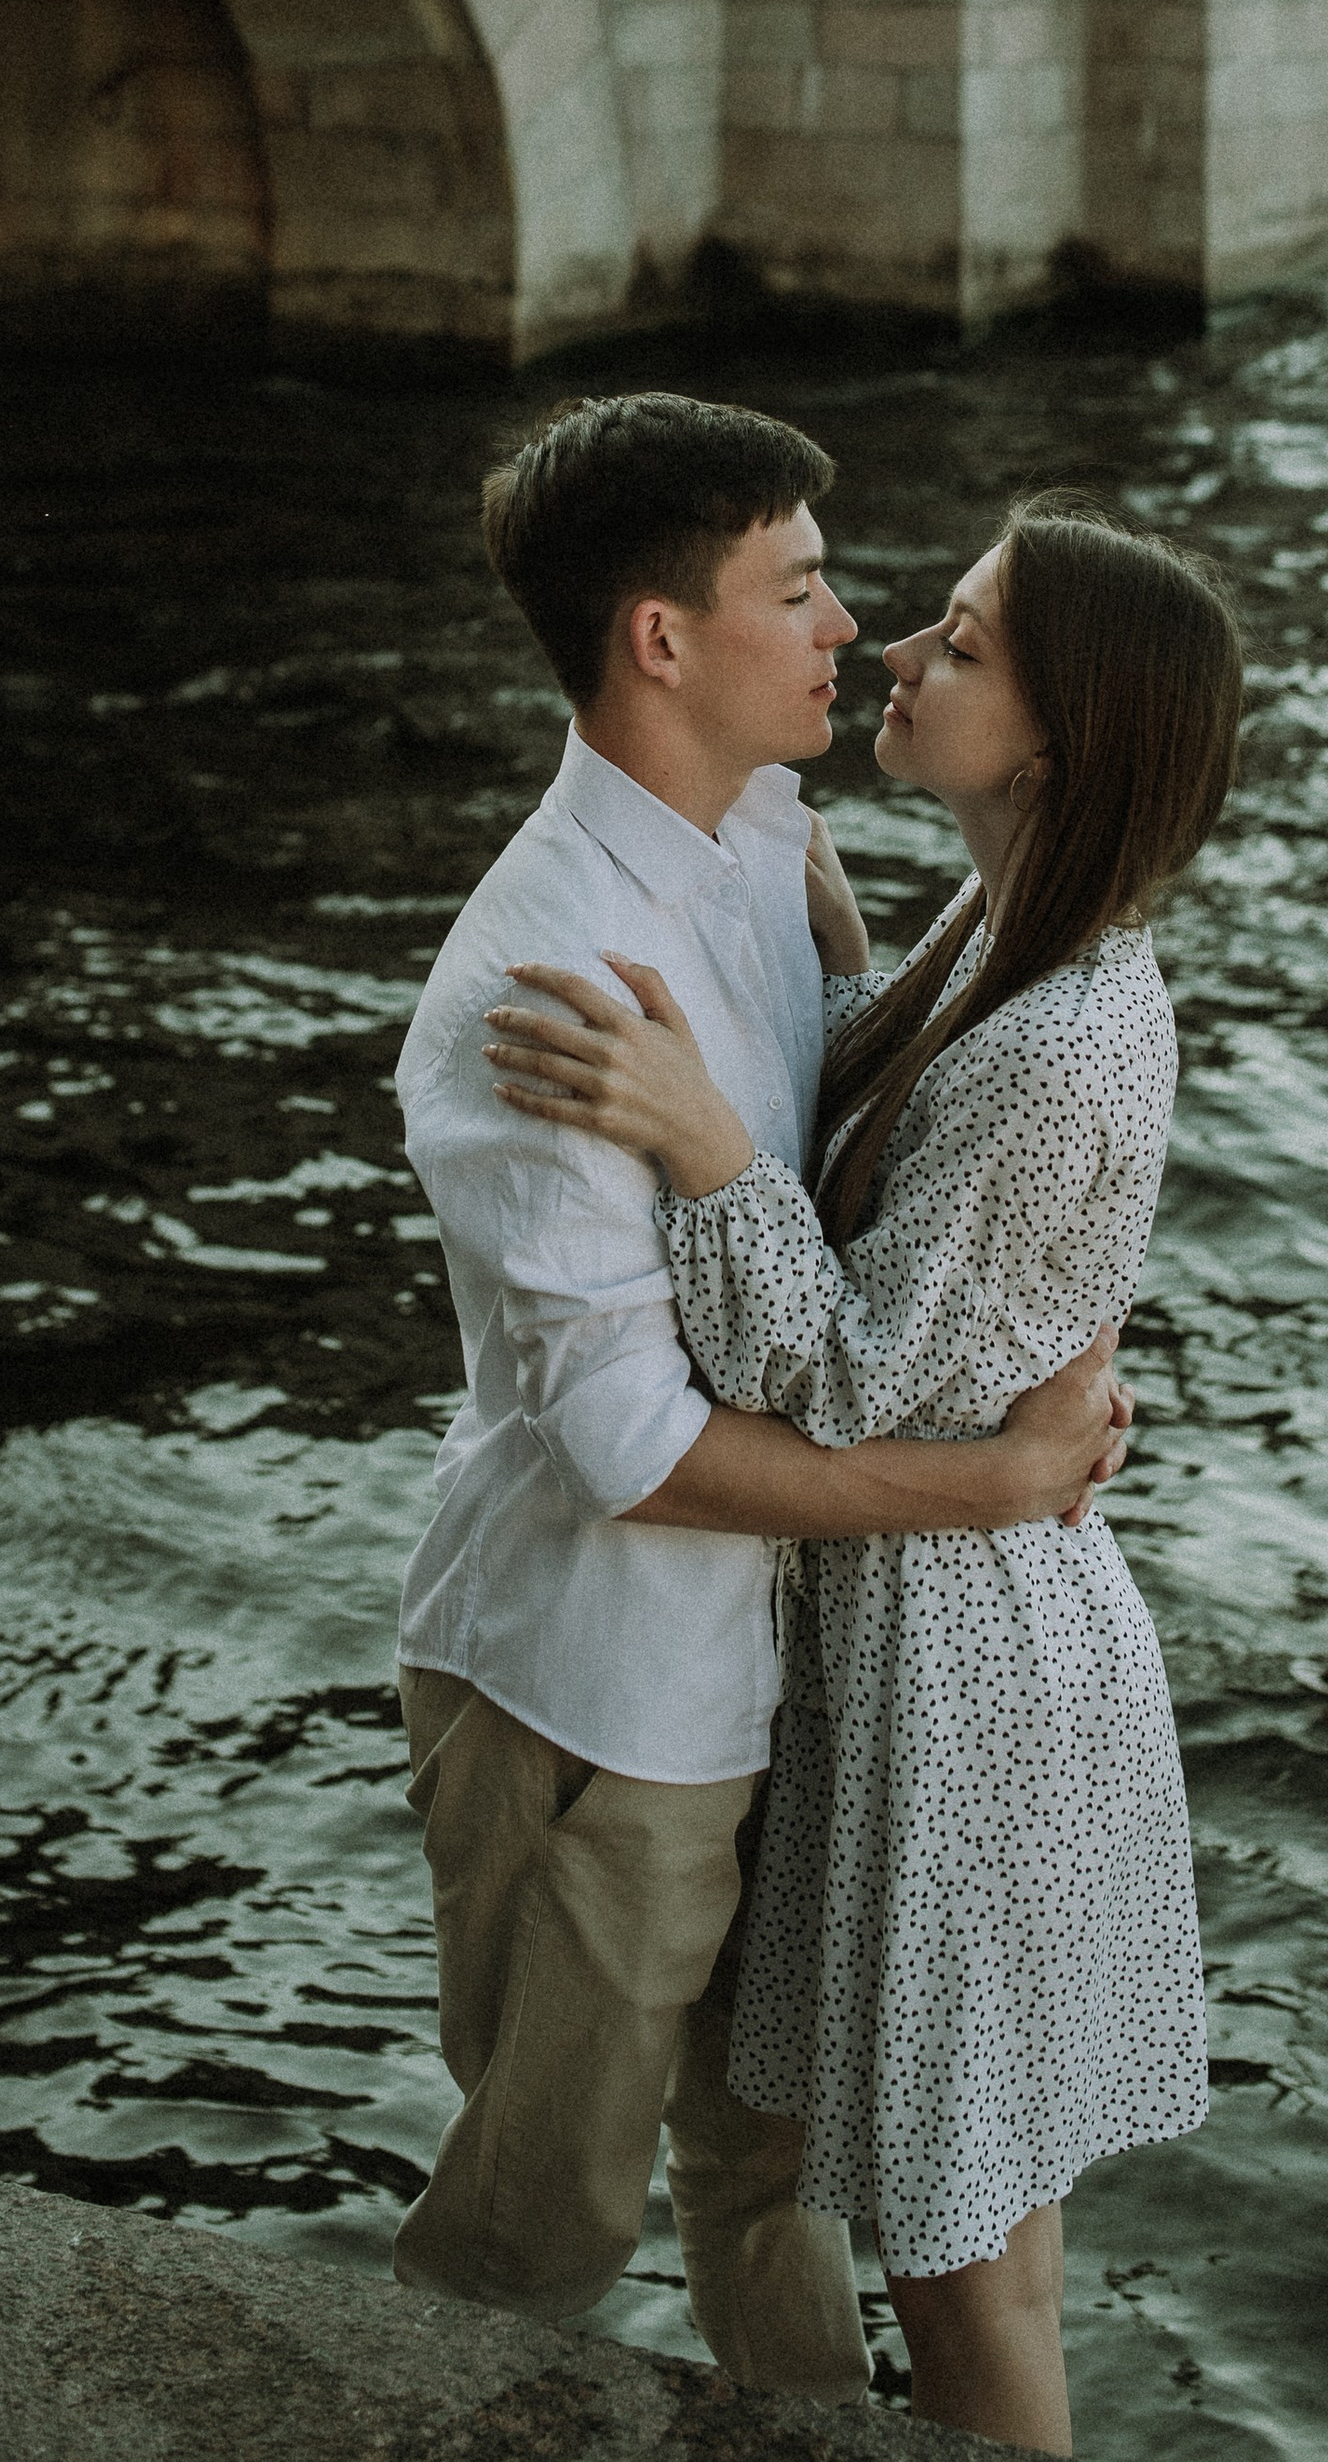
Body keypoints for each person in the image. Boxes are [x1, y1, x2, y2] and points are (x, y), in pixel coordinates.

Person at [487, 497, 1242, 2454]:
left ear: (1061, 739)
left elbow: (845, 1375)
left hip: (965, 1685)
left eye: (966, 641)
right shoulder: (1004, 926)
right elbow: (918, 1235)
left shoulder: (1064, 1023)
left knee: (961, 2259)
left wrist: (697, 1133)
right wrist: (827, 975)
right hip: (957, 1633)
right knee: (974, 2229)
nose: (898, 646)